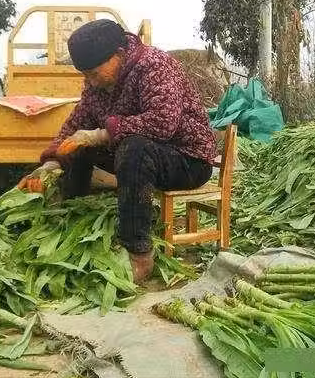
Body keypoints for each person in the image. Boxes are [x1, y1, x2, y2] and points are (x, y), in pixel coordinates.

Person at [18, 19, 216, 282]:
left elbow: (163, 123)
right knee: (80, 145)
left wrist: (102, 134)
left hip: (186, 159)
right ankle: (70, 215)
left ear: (119, 55)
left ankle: (138, 252)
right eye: (86, 76)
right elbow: (78, 122)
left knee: (134, 148)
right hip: (140, 155)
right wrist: (51, 163)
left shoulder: (154, 65)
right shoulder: (97, 85)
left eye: (94, 74)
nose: (91, 82)